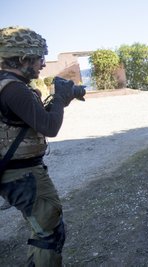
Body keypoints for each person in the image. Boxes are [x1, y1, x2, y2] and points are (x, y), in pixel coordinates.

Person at [0, 26, 85, 266]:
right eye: (39, 59)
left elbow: (32, 122)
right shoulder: (14, 89)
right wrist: (59, 98)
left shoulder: (8, 85)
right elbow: (50, 127)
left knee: (42, 229)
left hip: (15, 172)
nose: (43, 65)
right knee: (49, 233)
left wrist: (60, 101)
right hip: (22, 174)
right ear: (23, 58)